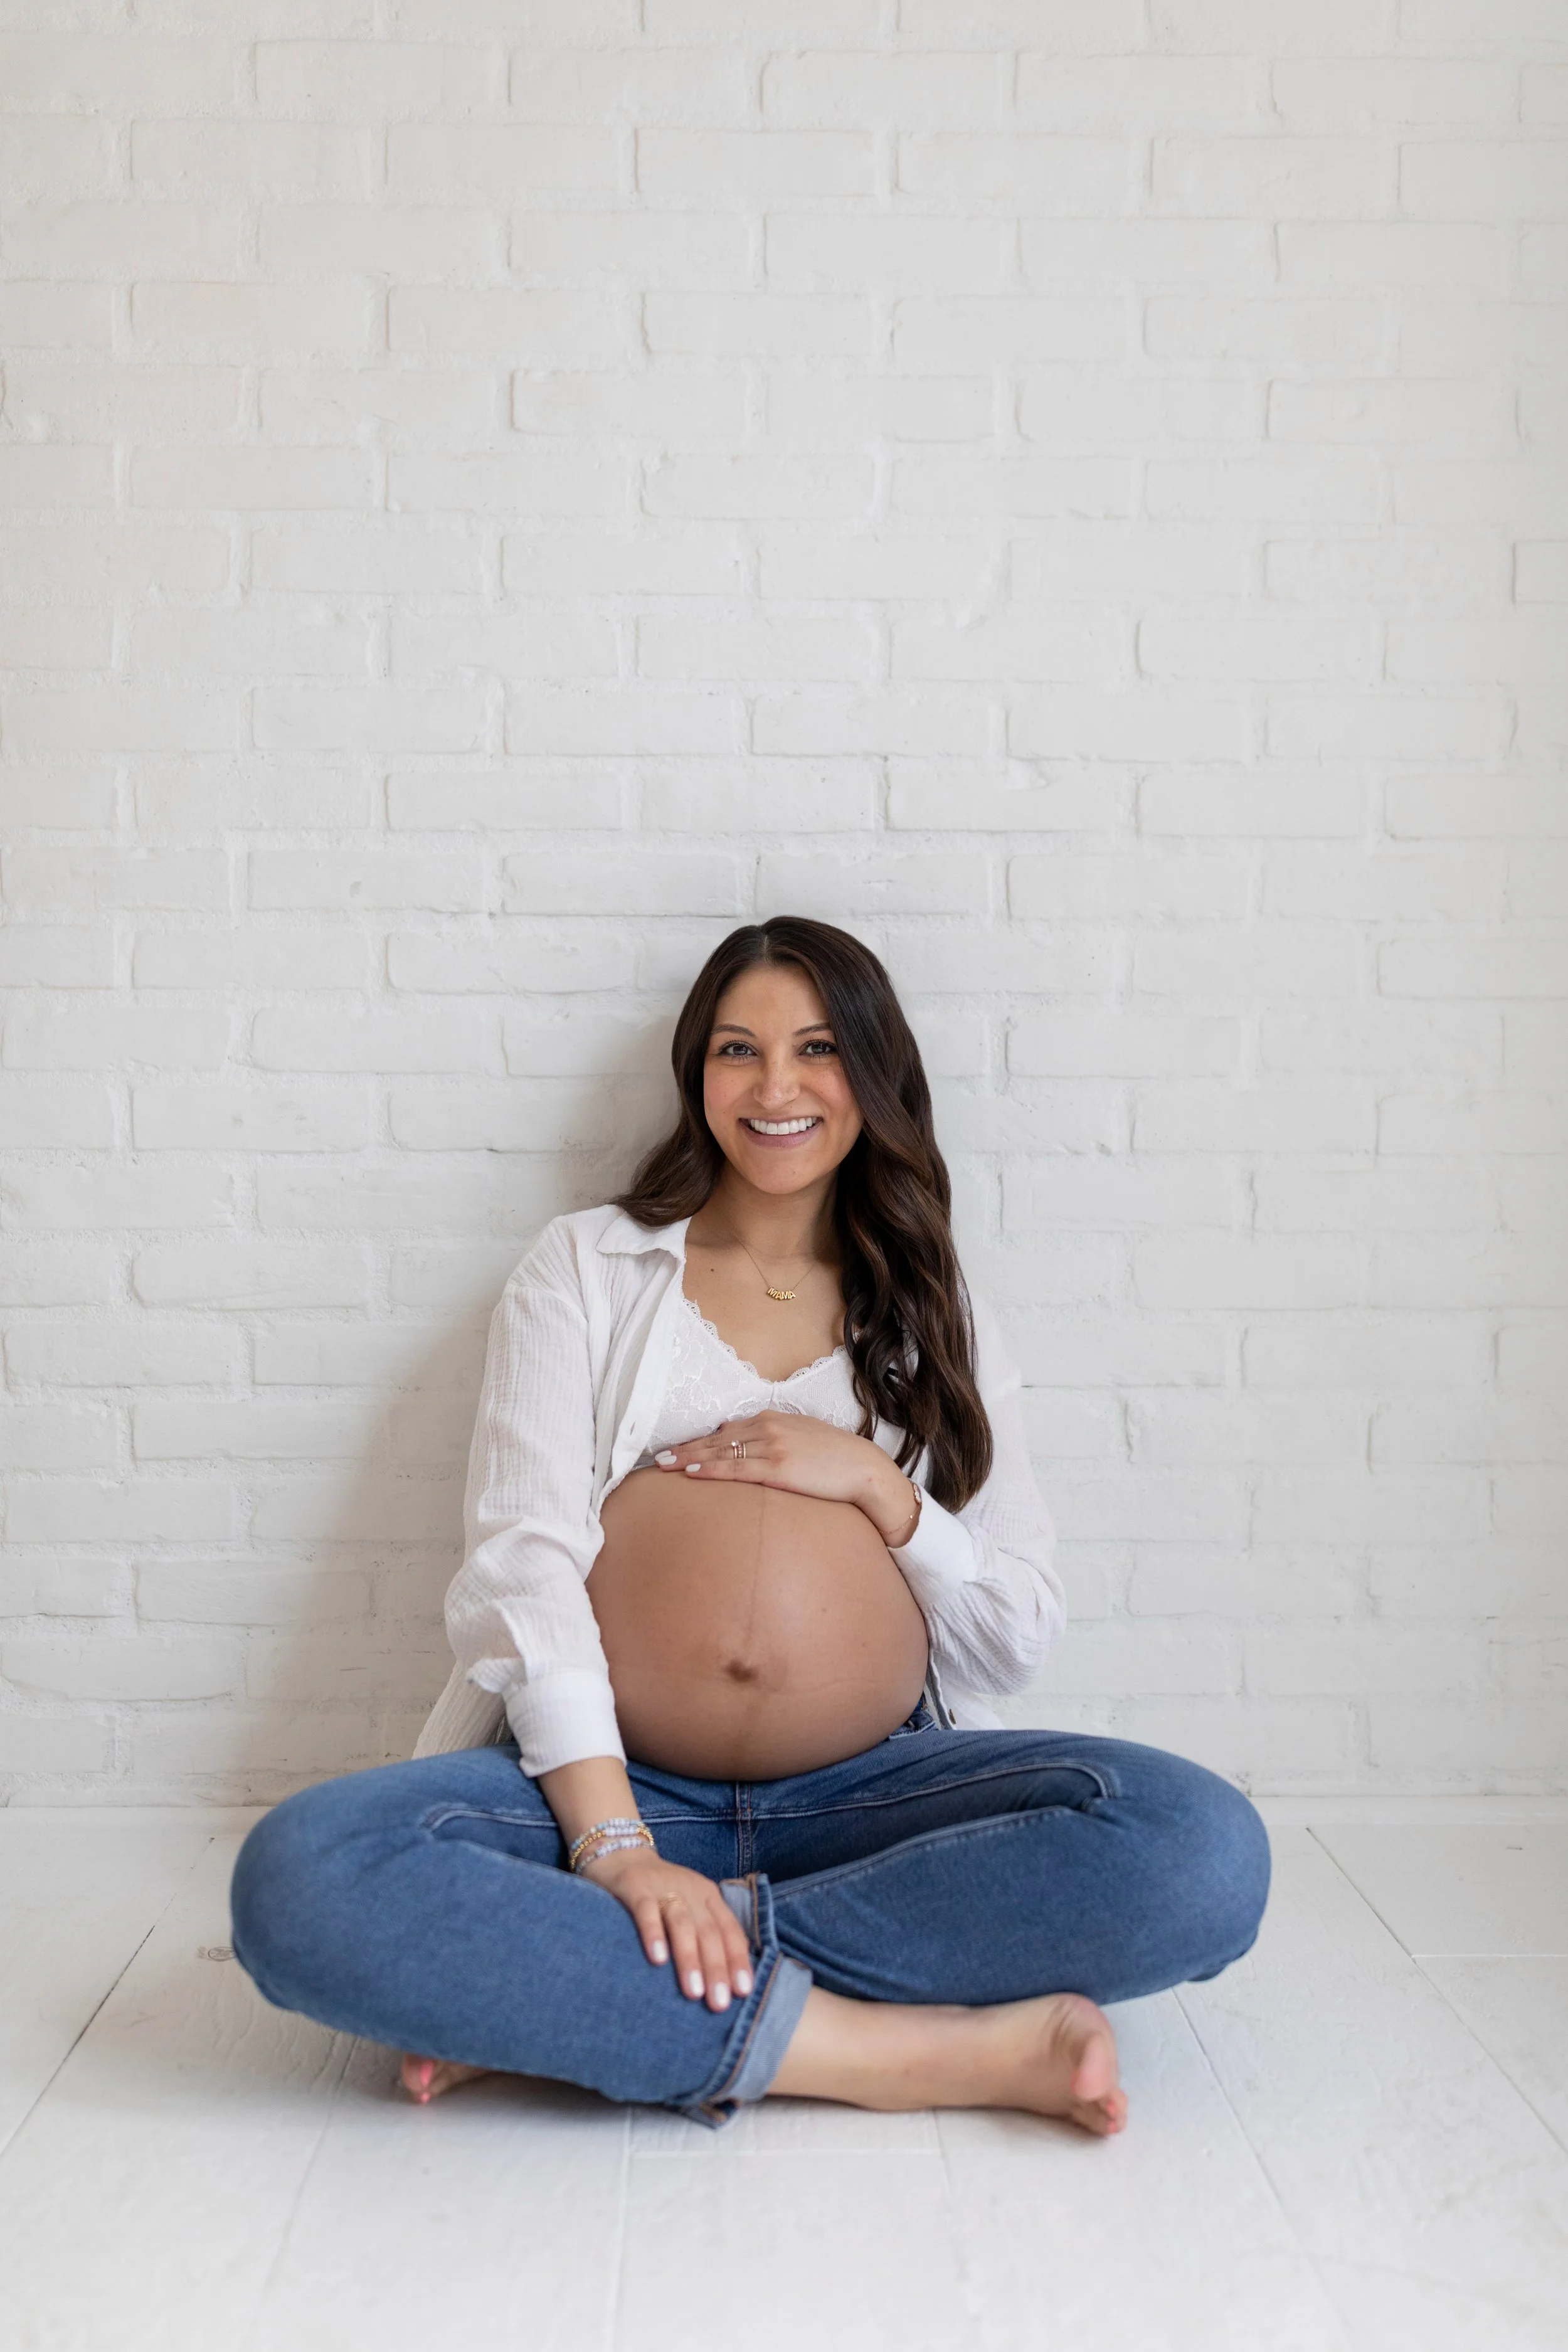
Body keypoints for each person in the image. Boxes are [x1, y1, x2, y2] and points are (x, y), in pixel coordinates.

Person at [231, 916, 1269, 2136]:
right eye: (737, 1050)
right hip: (603, 1789)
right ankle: (887, 2052)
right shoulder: (587, 1269)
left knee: (1200, 1850)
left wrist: (880, 1493)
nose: (774, 1087)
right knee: (303, 1877)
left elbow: (1009, 1639)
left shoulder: (935, 1319)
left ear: (873, 1077)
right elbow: (522, 1560)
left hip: (869, 1806)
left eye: (817, 1048)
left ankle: (574, 1994)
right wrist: (614, 1848)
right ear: (696, 1074)